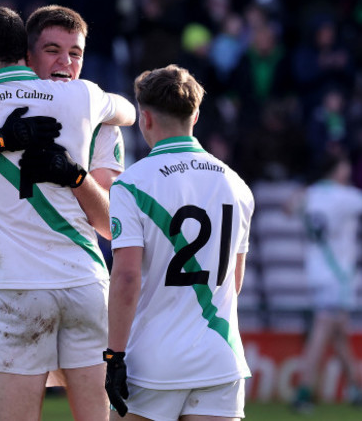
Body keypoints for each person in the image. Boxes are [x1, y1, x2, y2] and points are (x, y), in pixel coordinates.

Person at [0, 5, 135, 421]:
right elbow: (130, 110)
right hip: (84, 284)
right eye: (53, 50)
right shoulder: (86, 101)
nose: (66, 63)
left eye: (75, 53)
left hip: (13, 288)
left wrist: (68, 173)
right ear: (27, 55)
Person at [104, 65, 254, 420]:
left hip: (154, 363)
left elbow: (125, 278)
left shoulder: (132, 184)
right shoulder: (236, 184)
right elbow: (234, 280)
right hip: (220, 357)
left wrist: (114, 355)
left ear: (145, 119)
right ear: (196, 115)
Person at [291, 152, 362, 413]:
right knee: (322, 333)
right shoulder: (344, 196)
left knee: (338, 335)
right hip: (337, 275)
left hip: (316, 272)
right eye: (345, 165)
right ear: (338, 170)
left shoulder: (312, 193)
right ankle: (303, 392)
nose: (348, 170)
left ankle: (355, 389)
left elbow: (287, 206)